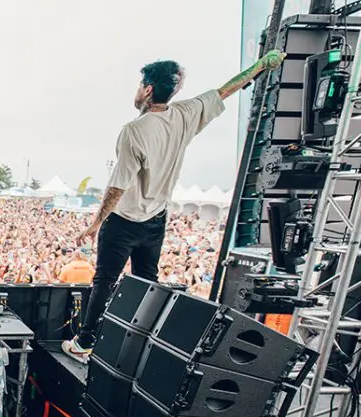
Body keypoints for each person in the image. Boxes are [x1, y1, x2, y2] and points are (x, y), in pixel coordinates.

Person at [62, 50, 287, 364]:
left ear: (148, 90)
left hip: (124, 220)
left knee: (104, 280)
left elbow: (118, 185)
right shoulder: (185, 114)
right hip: (156, 220)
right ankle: (139, 349)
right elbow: (226, 89)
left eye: (140, 85)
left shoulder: (134, 131)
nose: (137, 90)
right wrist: (262, 65)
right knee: (147, 281)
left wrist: (96, 222)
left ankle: (84, 342)